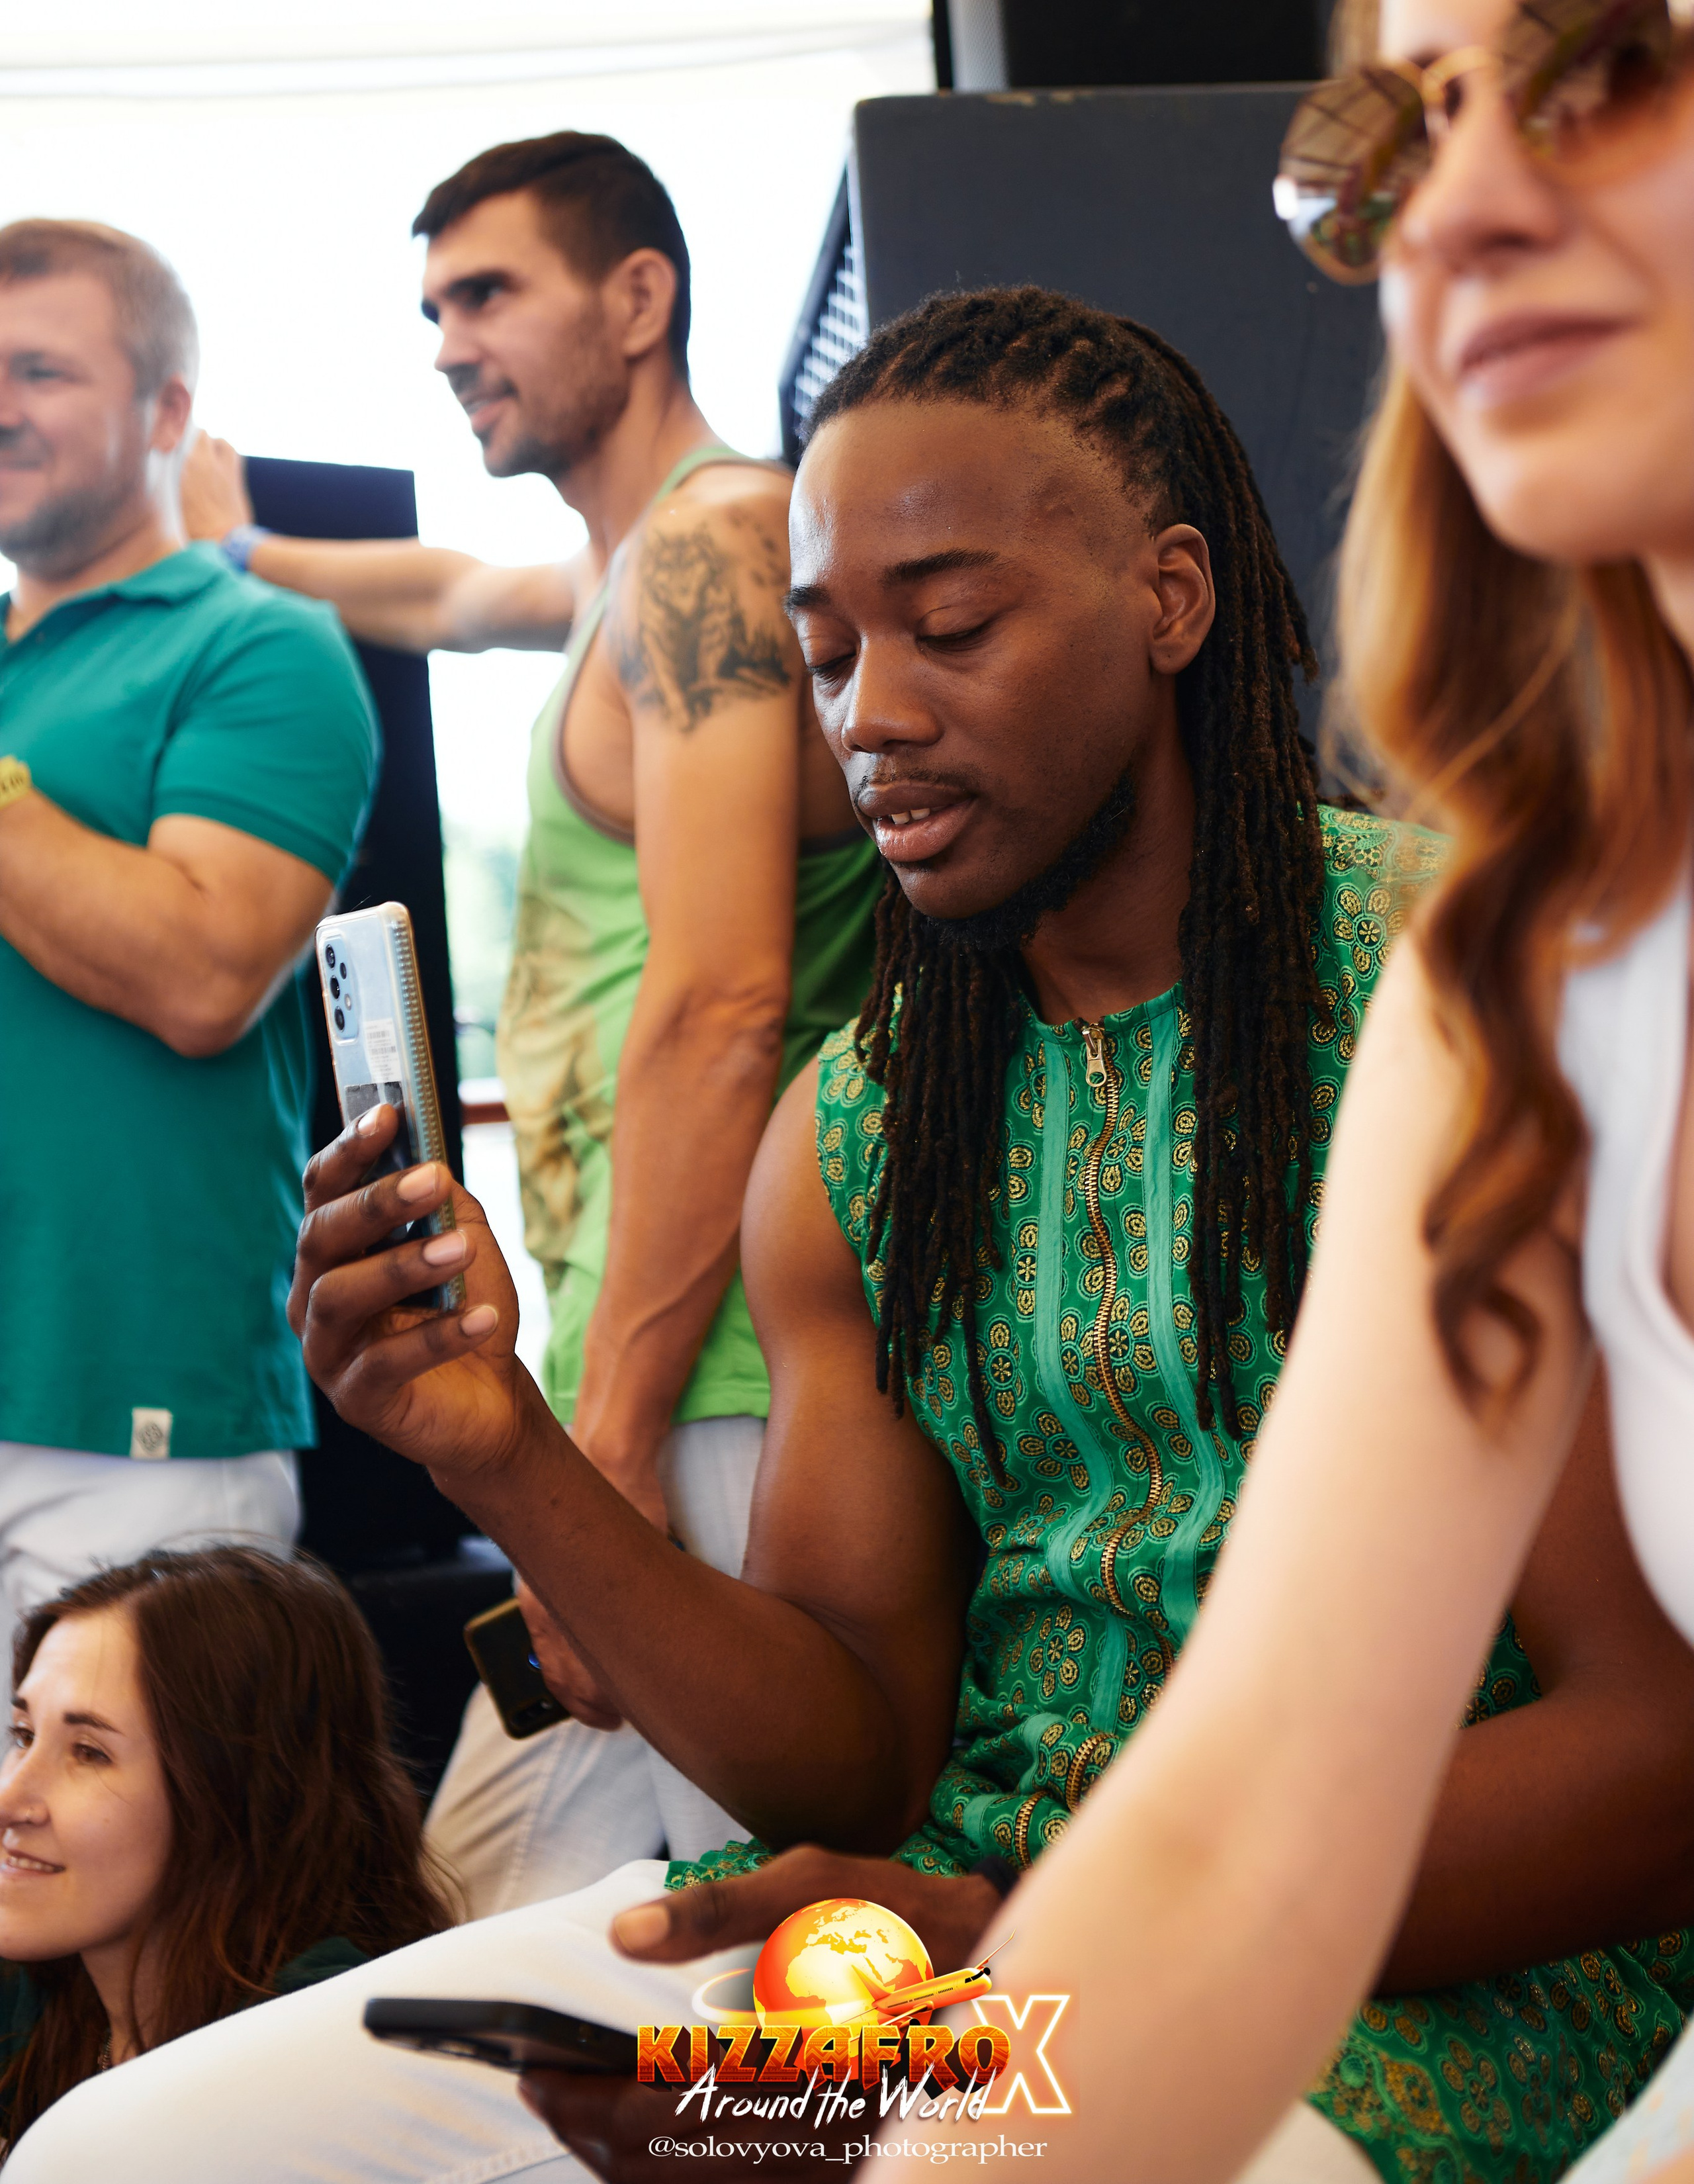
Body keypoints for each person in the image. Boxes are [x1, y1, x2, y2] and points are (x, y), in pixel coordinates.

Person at [25, 288, 1694, 2184]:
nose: (872, 716)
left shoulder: (1467, 990)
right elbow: (856, 1755)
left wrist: (1031, 1970)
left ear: (1173, 599)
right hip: (941, 1945)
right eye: (823, 656)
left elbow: (1652, 1757)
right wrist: (504, 1444)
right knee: (130, 2155)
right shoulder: (862, 1125)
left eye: (954, 629)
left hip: (1426, 1977)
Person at [901, 0, 1694, 2184]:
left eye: (1602, 58)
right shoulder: (1524, 976)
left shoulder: (1385, 963)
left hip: (1478, 2039)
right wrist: (901, 2072)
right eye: (1386, 139)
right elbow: (1232, 1821)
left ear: (1161, 604)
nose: (1447, 214)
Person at [182, 133, 881, 1917]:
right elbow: (440, 595)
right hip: (653, 1365)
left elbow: (723, 1005)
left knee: (783, 1940)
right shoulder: (636, 572)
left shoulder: (711, 551)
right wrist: (236, 544)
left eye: (487, 293)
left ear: (638, 298)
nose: (443, 341)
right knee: (495, 1933)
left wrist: (619, 1442)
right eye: (430, 306)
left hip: (721, 1379)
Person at [0, 220, 377, 1651]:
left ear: (168, 412)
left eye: (38, 370)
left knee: (155, 1878)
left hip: (138, 1403)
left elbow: (205, 972)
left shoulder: (260, 646)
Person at [0, 1545, 452, 2156]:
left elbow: (629, 2058)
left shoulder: (336, 2045)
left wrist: (637, 2093)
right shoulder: (42, 1984)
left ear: (235, 1792)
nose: (10, 1798)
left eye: (90, 1753)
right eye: (24, 1735)